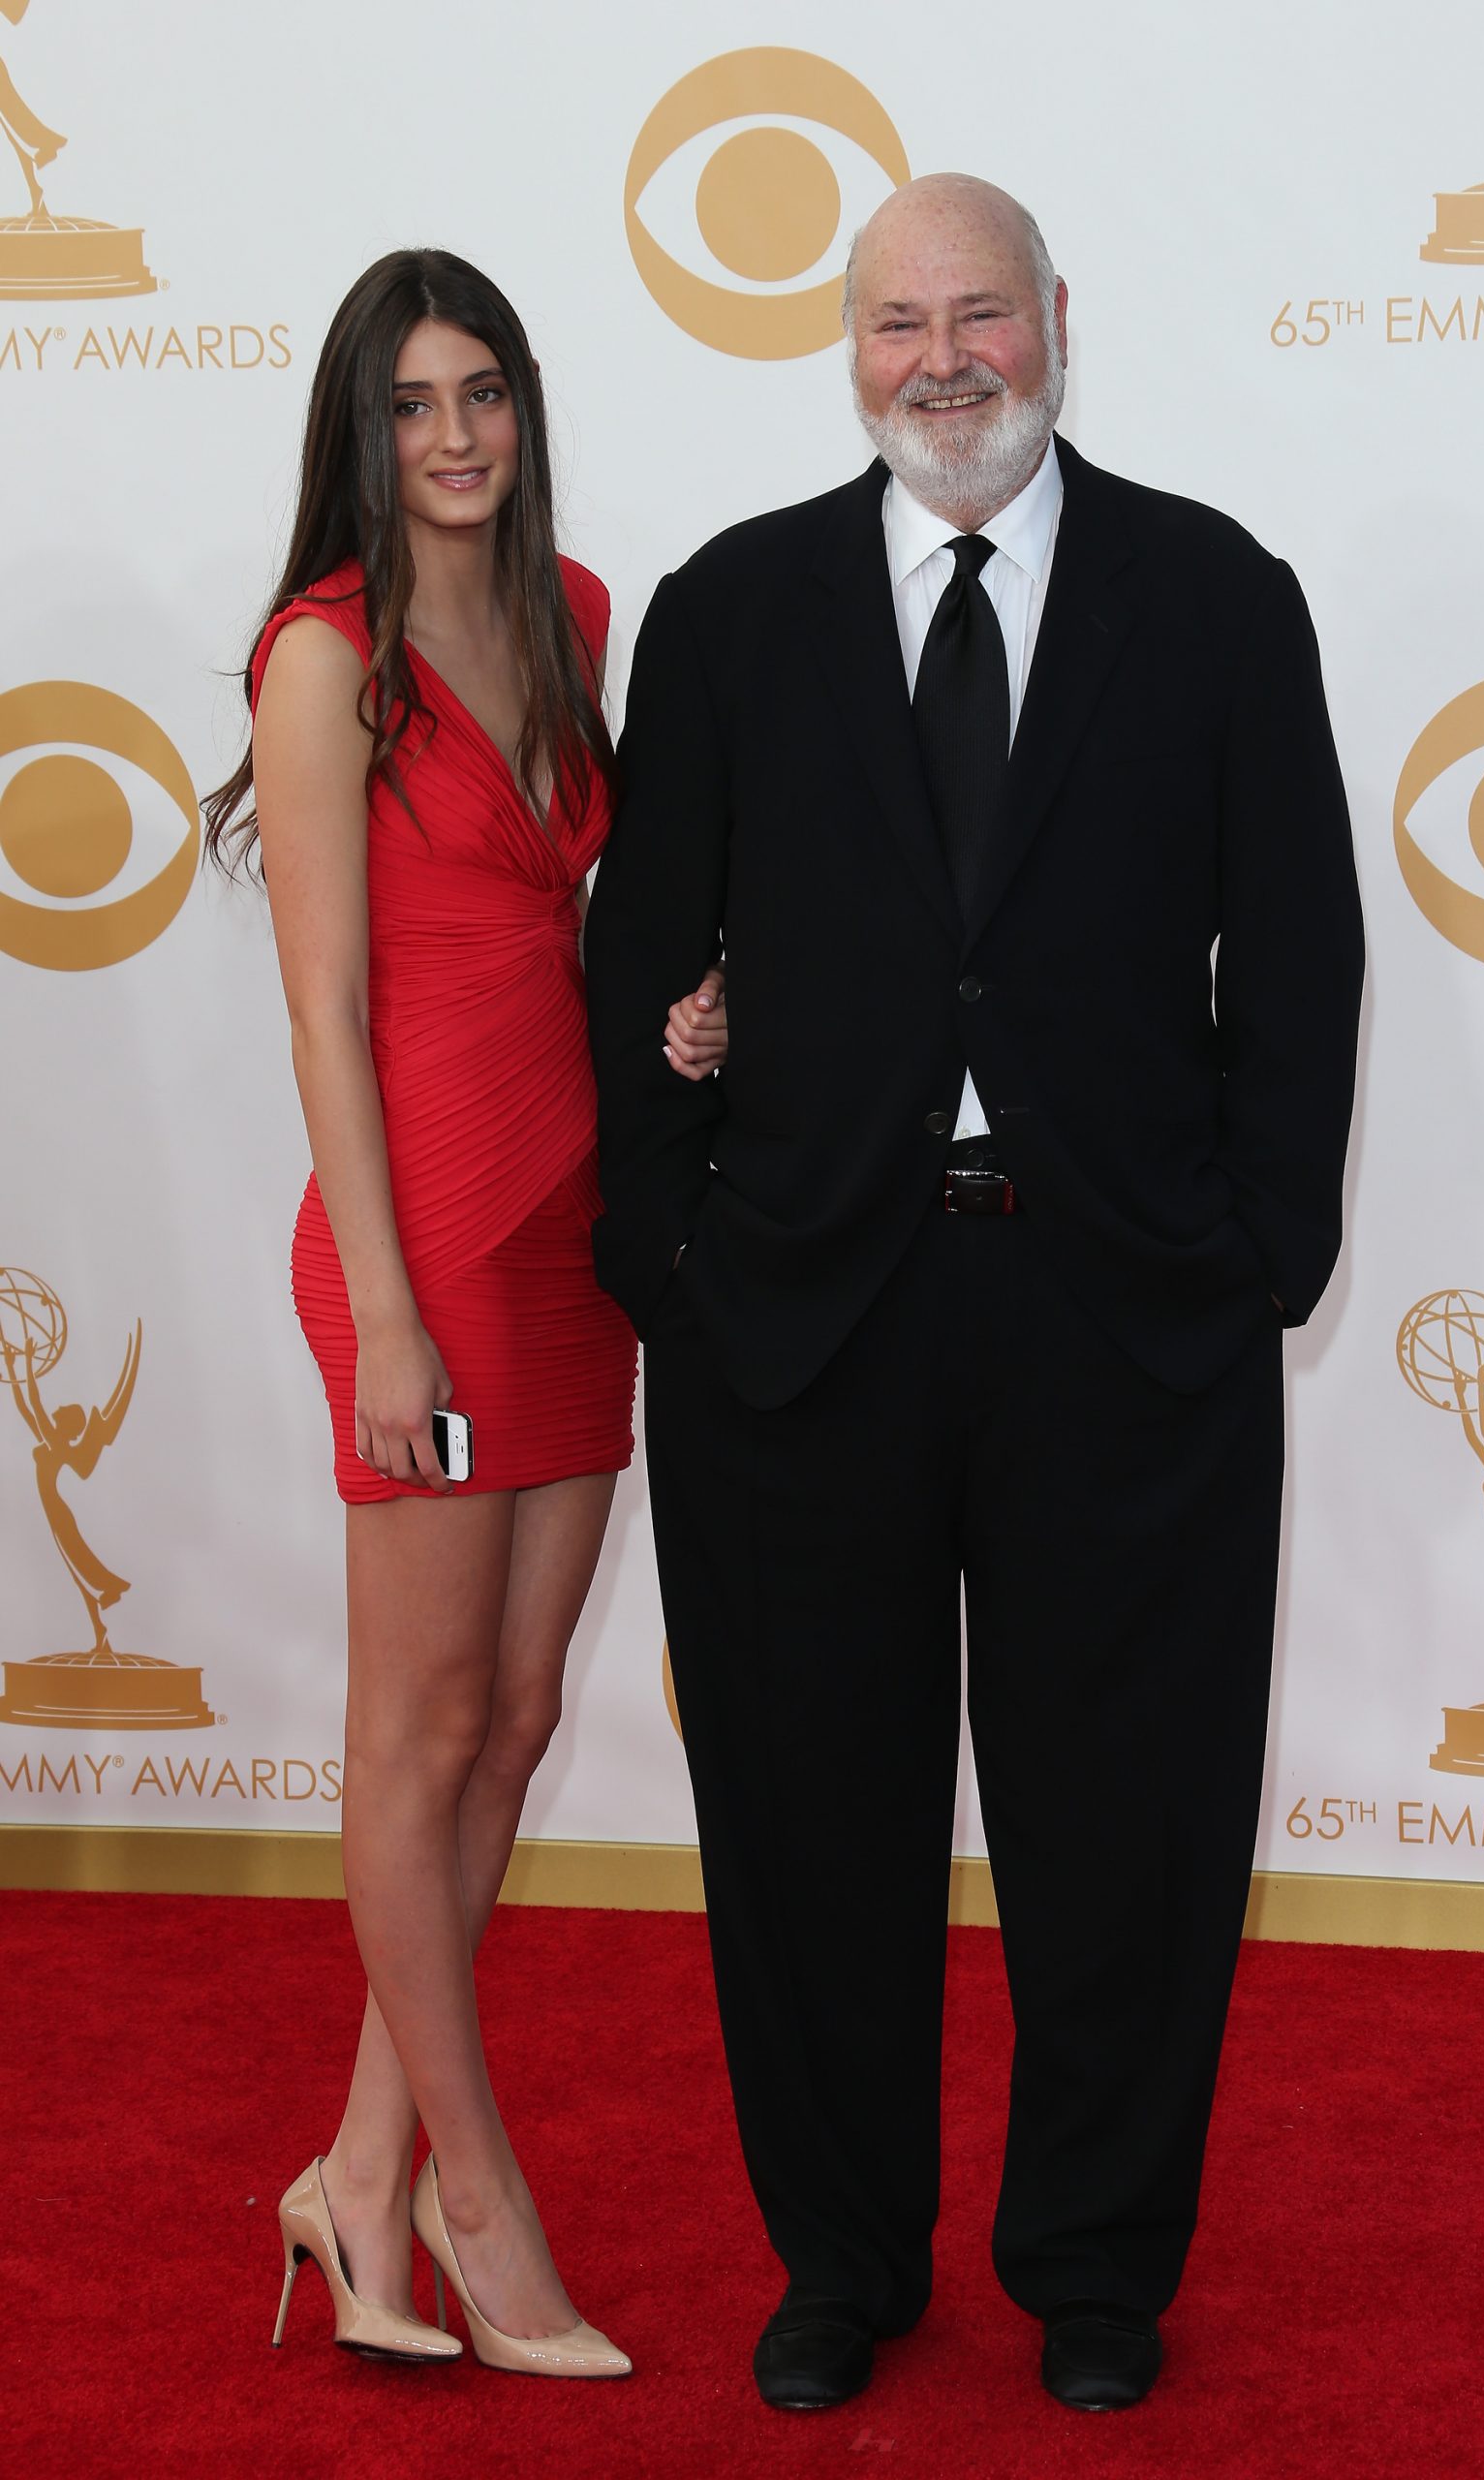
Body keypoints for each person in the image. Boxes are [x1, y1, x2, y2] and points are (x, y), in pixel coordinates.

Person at [586, 174, 1364, 2414]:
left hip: (1124, 1318)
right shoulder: (734, 611)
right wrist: (672, 1259)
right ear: (850, 350)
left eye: (981, 314)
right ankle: (844, 2253)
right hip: (799, 1323)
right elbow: (642, 954)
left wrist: (1257, 1260)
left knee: (1127, 1818)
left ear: (1055, 326)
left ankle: (1098, 2263)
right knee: (808, 1818)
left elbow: (1297, 956)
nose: (944, 358)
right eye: (898, 320)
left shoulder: (1214, 596)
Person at [205, 249, 726, 2376]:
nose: (452, 436)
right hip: (416, 1237)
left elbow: (563, 914)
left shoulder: (579, 612)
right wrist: (391, 1317)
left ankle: (353, 2172)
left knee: (512, 1716)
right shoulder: (324, 658)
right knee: (414, 1734)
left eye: (482, 393)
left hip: (571, 1217)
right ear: (360, 429)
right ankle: (474, 2196)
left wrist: (668, 1019)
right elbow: (325, 1005)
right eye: (411, 402)